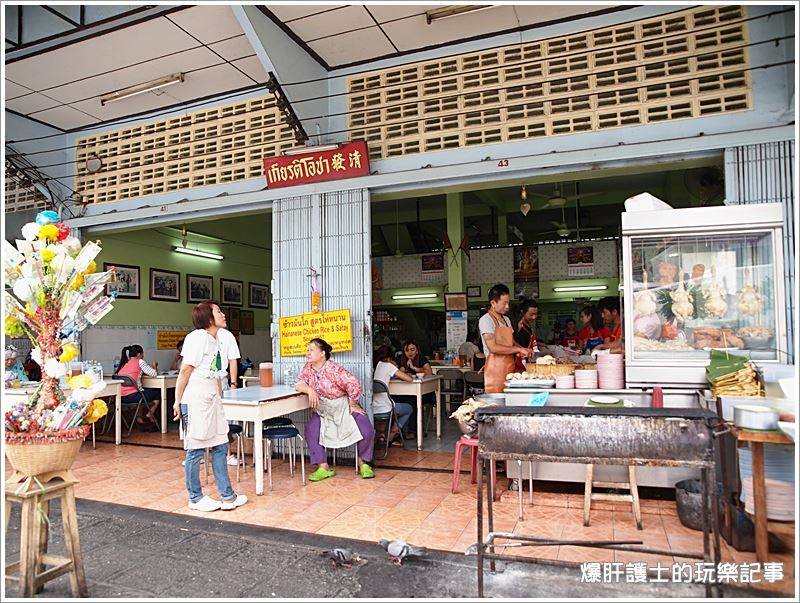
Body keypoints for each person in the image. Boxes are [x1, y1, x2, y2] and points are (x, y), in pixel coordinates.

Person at [172, 300, 247, 512]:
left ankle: (227, 496)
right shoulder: (197, 338)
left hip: (211, 399)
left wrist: (220, 392)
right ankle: (195, 498)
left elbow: (214, 371)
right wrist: (178, 401)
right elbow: (185, 370)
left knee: (221, 445)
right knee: (195, 450)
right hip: (195, 400)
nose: (223, 314)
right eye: (218, 311)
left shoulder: (215, 340)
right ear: (208, 318)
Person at [296, 338, 376, 481]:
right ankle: (323, 467)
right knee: (311, 430)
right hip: (323, 409)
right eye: (307, 350)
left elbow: (354, 383)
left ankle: (363, 463)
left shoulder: (333, 369)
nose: (307, 353)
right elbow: (299, 384)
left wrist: (352, 404)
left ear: (322, 353)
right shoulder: (307, 368)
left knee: (366, 429)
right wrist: (310, 390)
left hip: (342, 406)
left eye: (311, 350)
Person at [479, 284, 532, 393]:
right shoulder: (486, 320)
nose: (507, 306)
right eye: (504, 303)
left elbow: (511, 341)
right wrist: (518, 350)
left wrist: (523, 349)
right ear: (493, 303)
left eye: (508, 303)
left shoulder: (506, 320)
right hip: (494, 371)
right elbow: (493, 348)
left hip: (509, 367)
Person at [372, 346, 414, 443]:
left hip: (373, 407)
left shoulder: (376, 365)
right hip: (386, 407)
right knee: (409, 408)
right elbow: (409, 379)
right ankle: (392, 433)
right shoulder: (389, 366)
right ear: (389, 358)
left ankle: (382, 435)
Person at [117, 344, 160, 430]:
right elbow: (154, 374)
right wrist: (154, 366)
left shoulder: (124, 363)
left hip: (120, 397)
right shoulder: (140, 361)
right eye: (142, 354)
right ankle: (150, 414)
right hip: (133, 396)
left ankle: (139, 418)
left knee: (142, 391)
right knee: (156, 393)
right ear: (138, 354)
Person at [513, 299, 539, 371]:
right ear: (522, 312)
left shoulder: (528, 325)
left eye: (536, 314)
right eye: (531, 315)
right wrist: (522, 349)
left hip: (527, 361)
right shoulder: (518, 326)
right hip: (517, 363)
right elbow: (512, 342)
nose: (534, 317)